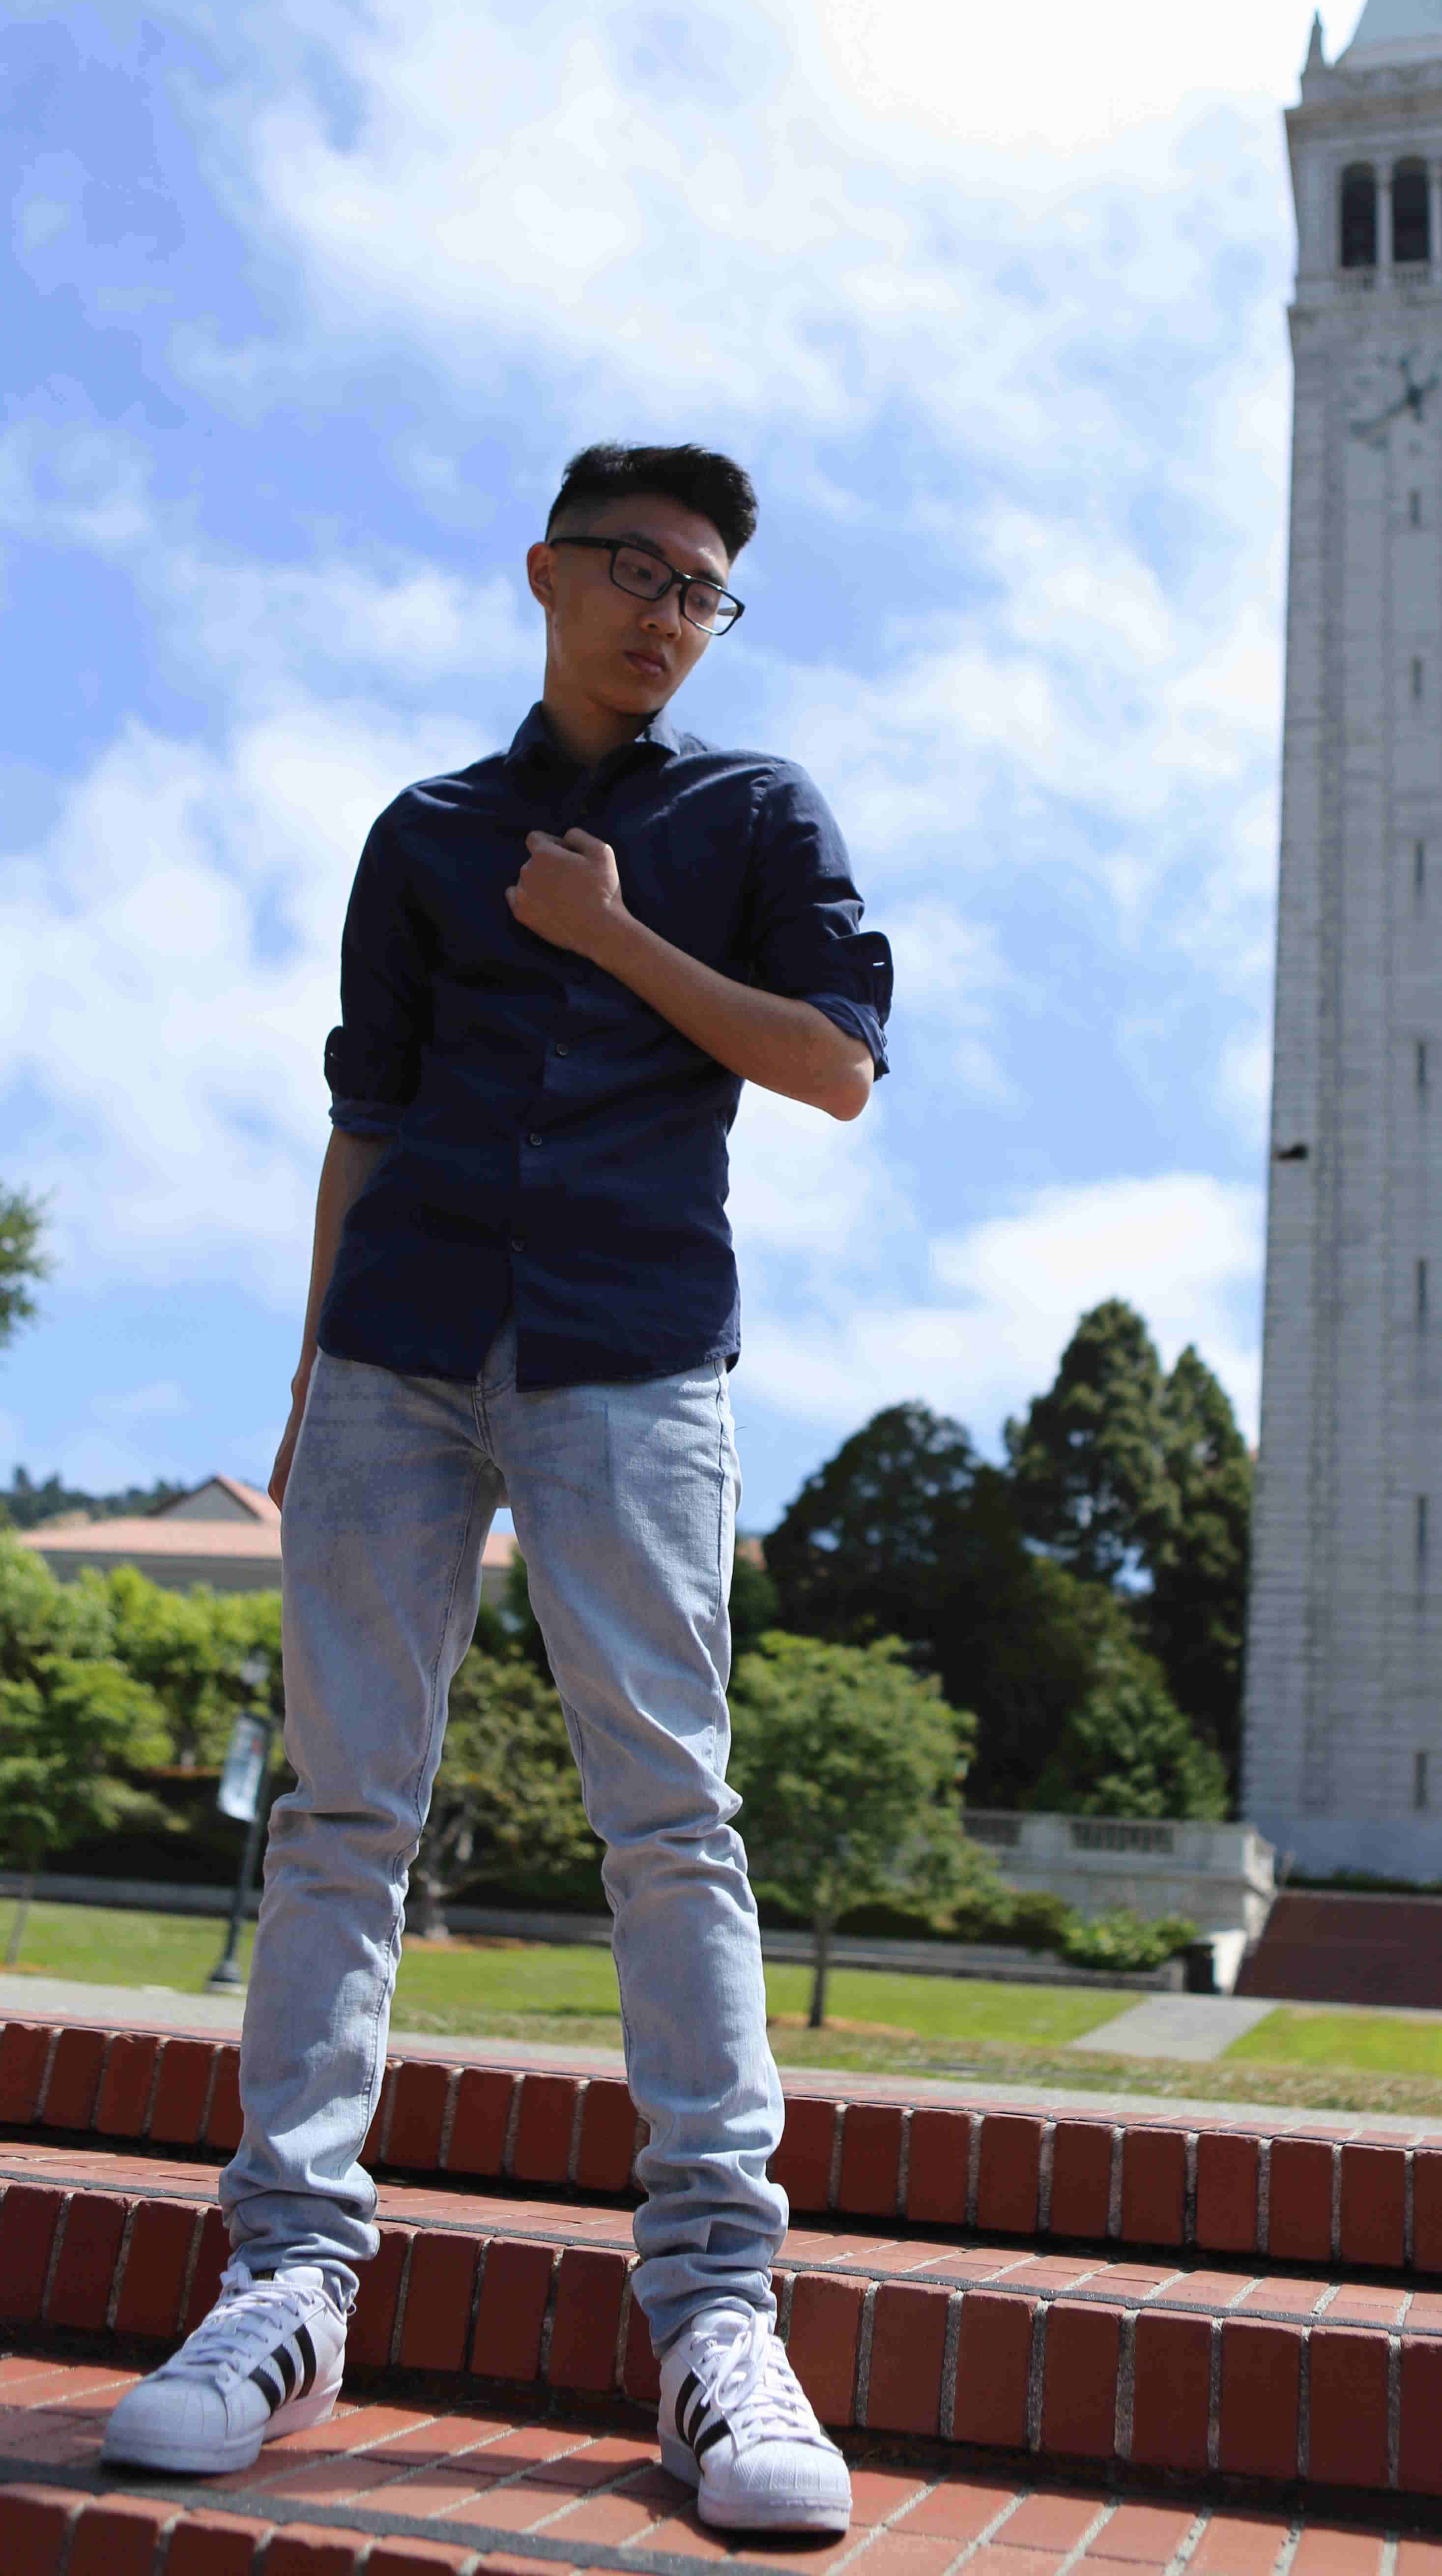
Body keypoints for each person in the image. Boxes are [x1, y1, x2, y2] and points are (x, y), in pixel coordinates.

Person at [104, 444, 891, 2536]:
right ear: (548, 572)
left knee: (671, 1820)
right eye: (635, 567)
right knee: (340, 1817)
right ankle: (284, 2280)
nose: (666, 609)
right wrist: (304, 1379)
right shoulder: (427, 834)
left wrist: (621, 943)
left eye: (706, 589)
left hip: (632, 1360)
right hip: (399, 1348)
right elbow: (362, 1120)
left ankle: (723, 2319)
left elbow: (831, 1066)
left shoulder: (753, 816)